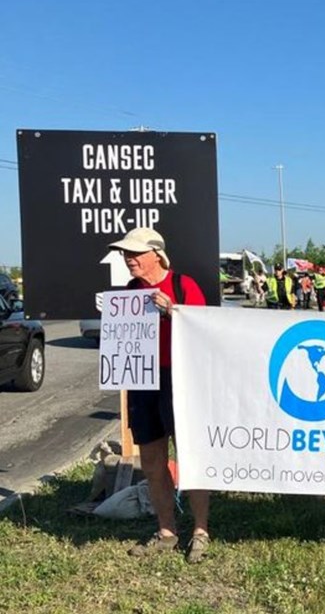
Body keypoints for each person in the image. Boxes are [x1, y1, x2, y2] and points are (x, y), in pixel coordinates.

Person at [106, 227, 211, 563]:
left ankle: (200, 530)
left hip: (180, 378)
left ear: (156, 254)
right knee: (152, 461)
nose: (128, 258)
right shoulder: (130, 291)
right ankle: (167, 530)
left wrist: (173, 312)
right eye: (125, 253)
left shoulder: (184, 285)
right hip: (143, 382)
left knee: (190, 456)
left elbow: (207, 331)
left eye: (135, 252)